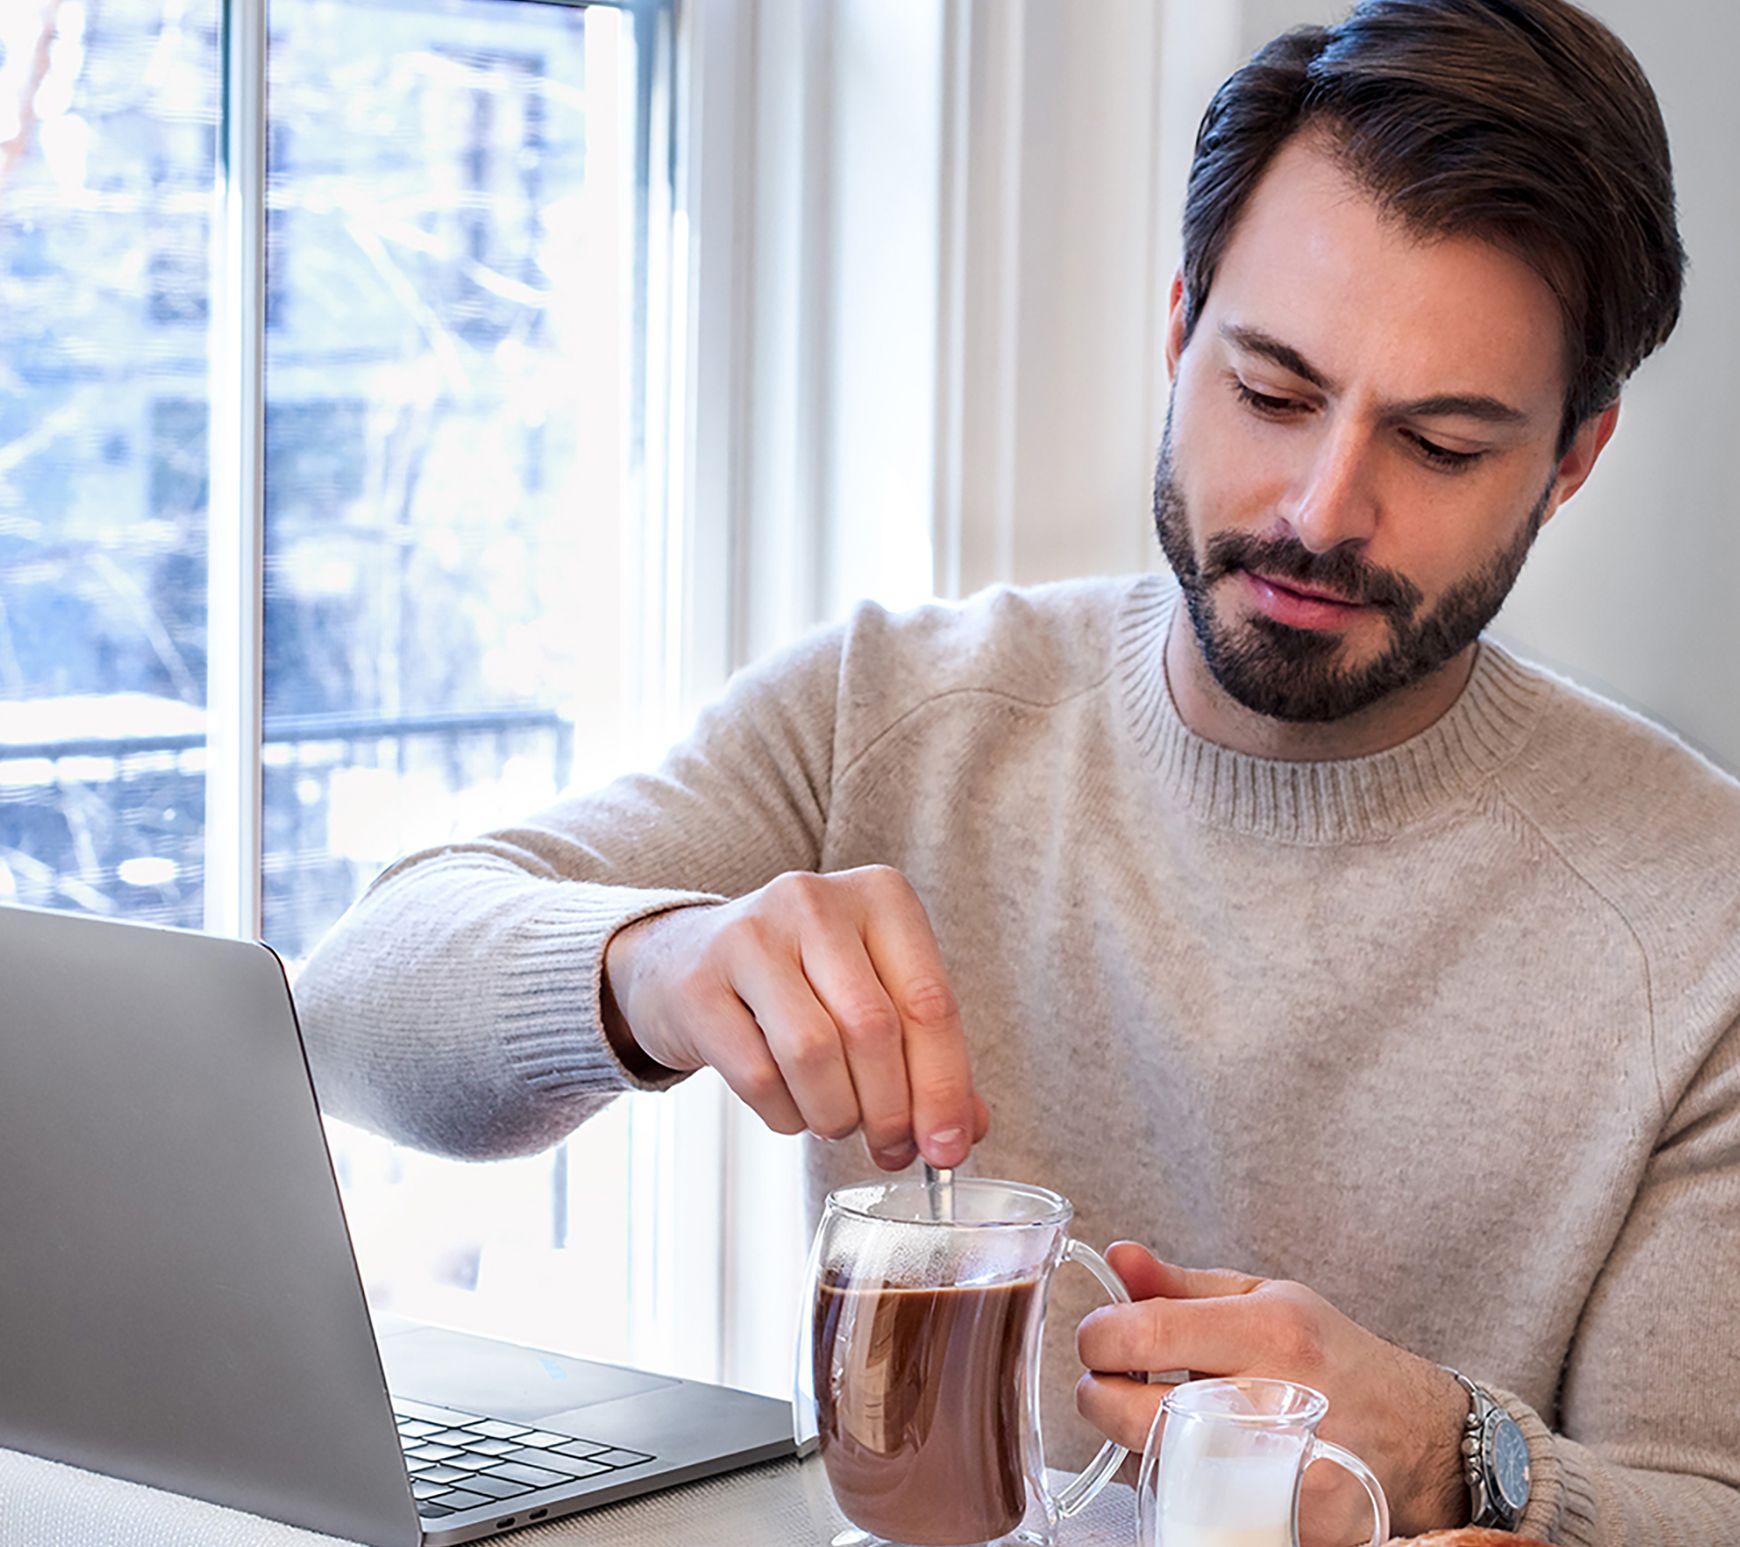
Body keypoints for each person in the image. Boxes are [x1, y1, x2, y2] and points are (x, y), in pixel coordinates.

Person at [295, 1, 1740, 1541]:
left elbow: (1704, 1496)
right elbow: (352, 1006)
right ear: (1179, 330)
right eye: (1270, 391)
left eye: (1442, 445)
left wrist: (1465, 1449)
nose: (1325, 509)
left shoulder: (1697, 912)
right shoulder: (890, 713)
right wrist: (652, 964)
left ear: (1573, 456)